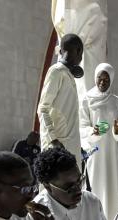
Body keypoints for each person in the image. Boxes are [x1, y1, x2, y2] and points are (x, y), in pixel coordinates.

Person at [79, 63, 118, 220]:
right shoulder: (86, 99)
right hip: (94, 151)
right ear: (95, 78)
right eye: (99, 78)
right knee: (95, 184)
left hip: (111, 152)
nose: (102, 82)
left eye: (106, 79)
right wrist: (93, 132)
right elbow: (81, 126)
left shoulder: (117, 102)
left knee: (111, 187)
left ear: (111, 79)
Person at [37, 34, 84, 165]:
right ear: (79, 51)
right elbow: (43, 109)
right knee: (53, 184)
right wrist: (53, 140)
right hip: (58, 146)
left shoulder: (68, 74)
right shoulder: (56, 72)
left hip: (70, 145)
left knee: (72, 184)